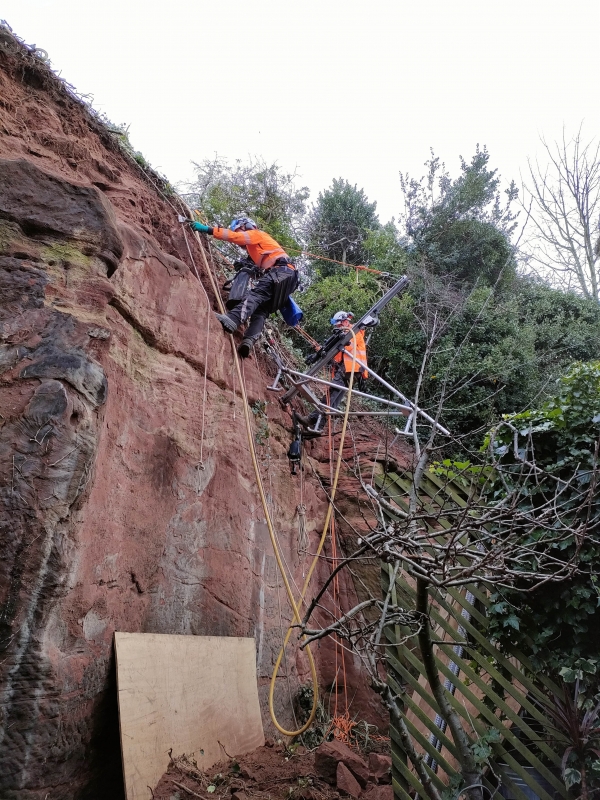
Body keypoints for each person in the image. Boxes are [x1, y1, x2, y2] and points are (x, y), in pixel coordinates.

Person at [187, 217, 298, 358]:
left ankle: (232, 319)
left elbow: (235, 237)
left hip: (282, 271)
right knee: (261, 310)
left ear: (246, 226)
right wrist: (247, 266)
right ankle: (249, 340)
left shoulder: (256, 234)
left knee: (256, 294)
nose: (236, 232)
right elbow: (260, 270)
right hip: (288, 279)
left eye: (238, 229)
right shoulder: (256, 250)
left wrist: (207, 229)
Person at [297, 311, 369, 433]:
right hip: (351, 371)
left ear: (346, 321)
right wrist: (321, 351)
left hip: (349, 369)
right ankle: (318, 426)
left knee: (330, 396)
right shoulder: (348, 333)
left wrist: (323, 350)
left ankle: (312, 420)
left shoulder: (353, 332)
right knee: (334, 400)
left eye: (339, 325)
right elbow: (337, 356)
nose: (338, 328)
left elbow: (341, 347)